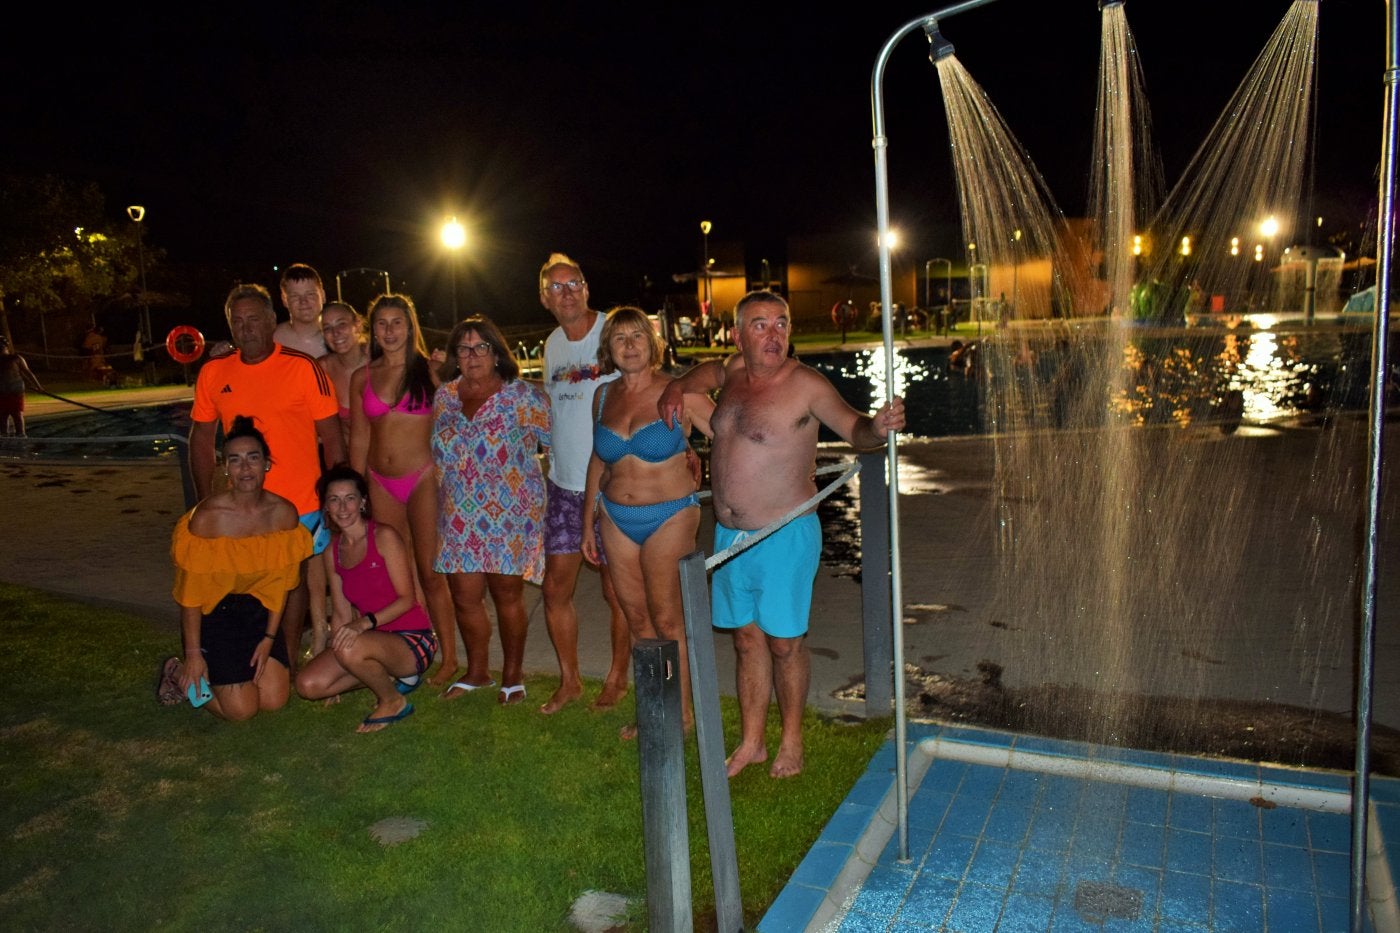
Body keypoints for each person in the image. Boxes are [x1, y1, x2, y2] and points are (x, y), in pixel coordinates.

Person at [659, 290, 905, 778]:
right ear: (738, 335)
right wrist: (677, 386)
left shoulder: (805, 386)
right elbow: (706, 372)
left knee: (784, 644)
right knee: (746, 641)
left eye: (781, 324)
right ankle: (752, 742)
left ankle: (791, 741)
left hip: (784, 534)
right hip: (730, 537)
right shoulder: (731, 371)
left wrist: (877, 427)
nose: (774, 335)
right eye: (760, 325)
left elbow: (854, 427)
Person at [188, 283, 345, 674]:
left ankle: (284, 662)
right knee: (237, 585)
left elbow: (332, 437)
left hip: (300, 503)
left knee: (290, 588)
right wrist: (204, 497)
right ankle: (228, 658)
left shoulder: (302, 367)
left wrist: (335, 496)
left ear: (272, 321)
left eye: (254, 319)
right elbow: (202, 437)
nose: (246, 329)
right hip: (239, 506)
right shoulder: (214, 371)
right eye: (237, 322)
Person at [580, 307, 713, 736]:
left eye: (638, 336)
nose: (630, 345)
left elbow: (730, 432)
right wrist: (587, 524)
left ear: (653, 344)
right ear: (609, 349)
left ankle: (684, 716)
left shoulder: (679, 393)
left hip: (670, 515)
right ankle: (655, 710)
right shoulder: (602, 396)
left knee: (668, 620)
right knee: (636, 621)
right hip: (615, 517)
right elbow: (598, 461)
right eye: (620, 338)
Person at [158, 416, 313, 720]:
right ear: (225, 466)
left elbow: (282, 586)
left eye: (253, 458)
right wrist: (192, 656)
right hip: (215, 615)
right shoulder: (207, 519)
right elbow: (190, 595)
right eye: (235, 460)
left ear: (267, 464)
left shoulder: (284, 515)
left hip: (258, 613)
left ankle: (224, 672)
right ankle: (176, 673)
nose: (245, 468)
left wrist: (269, 638)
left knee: (274, 699)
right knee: (242, 712)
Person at [433, 316, 551, 705]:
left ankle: (512, 676)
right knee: (464, 595)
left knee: (506, 595)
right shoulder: (446, 396)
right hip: (461, 511)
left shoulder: (523, 396)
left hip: (511, 512)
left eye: (481, 347)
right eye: (464, 349)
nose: (472, 356)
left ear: (497, 353)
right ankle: (478, 670)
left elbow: (555, 444)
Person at [537, 253, 630, 714]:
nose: (566, 292)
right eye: (556, 287)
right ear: (544, 298)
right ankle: (570, 680)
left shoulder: (612, 332)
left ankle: (617, 678)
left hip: (612, 485)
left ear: (587, 287)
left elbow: (646, 386)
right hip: (563, 486)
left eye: (573, 283)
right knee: (555, 590)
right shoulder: (551, 344)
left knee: (617, 591)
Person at [348, 293, 457, 686]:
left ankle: (450, 657)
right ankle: (415, 645)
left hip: (422, 477)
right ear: (372, 330)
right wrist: (355, 487)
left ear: (410, 327)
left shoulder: (430, 371)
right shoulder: (363, 377)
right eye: (382, 324)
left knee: (430, 571)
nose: (390, 331)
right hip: (378, 480)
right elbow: (359, 438)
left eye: (397, 323)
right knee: (399, 573)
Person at [294, 466, 437, 732]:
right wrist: (335, 656)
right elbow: (340, 612)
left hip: (412, 640)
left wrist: (363, 625)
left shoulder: (384, 537)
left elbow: (408, 599)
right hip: (366, 640)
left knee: (351, 647)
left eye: (350, 498)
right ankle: (393, 675)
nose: (343, 507)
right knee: (309, 685)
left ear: (362, 502)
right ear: (326, 506)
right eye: (334, 500)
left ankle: (393, 700)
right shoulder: (332, 550)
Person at [307, 300, 368, 657]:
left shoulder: (380, 360)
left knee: (375, 546)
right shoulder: (320, 369)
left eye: (342, 324)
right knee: (324, 549)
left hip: (375, 468)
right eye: (327, 328)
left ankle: (375, 620)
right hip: (335, 469)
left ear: (357, 324)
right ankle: (323, 629)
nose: (336, 333)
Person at [273, 263, 330, 358]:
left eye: (310, 294)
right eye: (295, 296)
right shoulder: (272, 340)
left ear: (323, 296)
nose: (303, 301)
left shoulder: (340, 338)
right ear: (284, 300)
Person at [0, 335, 44, 437]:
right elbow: (28, 373)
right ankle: (5, 436)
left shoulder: (16, 358)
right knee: (4, 416)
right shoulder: (16, 358)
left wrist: (38, 387)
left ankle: (20, 435)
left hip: (15, 392)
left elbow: (28, 373)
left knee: (16, 415)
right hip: (3, 393)